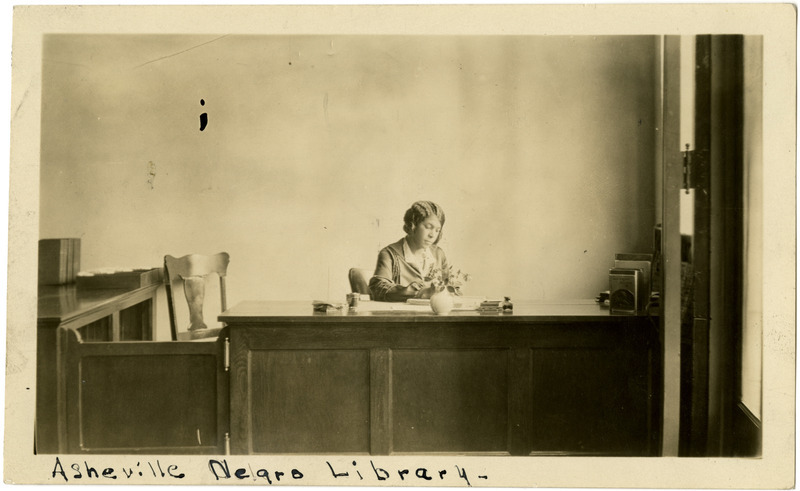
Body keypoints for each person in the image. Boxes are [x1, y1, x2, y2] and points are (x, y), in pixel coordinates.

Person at [369, 201, 449, 302]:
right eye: (428, 227)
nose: (432, 235)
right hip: (400, 316)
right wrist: (418, 293)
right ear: (412, 225)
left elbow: (450, 287)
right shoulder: (389, 254)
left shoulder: (439, 254)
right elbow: (378, 288)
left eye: (437, 230)